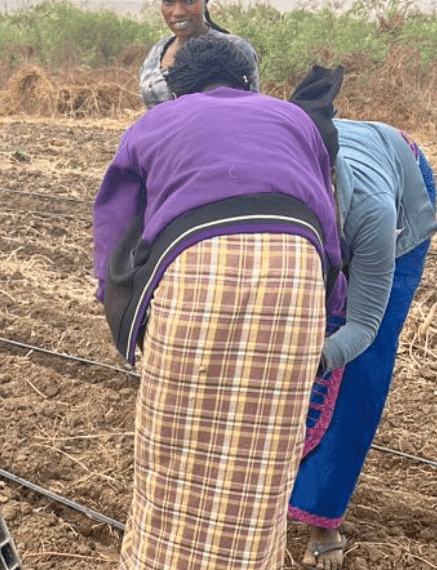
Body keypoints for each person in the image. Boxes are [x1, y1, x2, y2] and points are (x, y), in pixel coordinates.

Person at [94, 34, 341, 570]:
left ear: (177, 89)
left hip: (196, 270)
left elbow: (116, 228)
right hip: (294, 274)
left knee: (174, 441)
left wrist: (125, 319)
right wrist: (329, 304)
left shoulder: (156, 122)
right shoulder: (294, 118)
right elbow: (326, 217)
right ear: (249, 80)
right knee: (267, 447)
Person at [288, 112, 437, 569]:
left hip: (397, 186)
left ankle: (323, 516)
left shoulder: (373, 213)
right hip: (339, 182)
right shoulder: (271, 191)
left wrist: (309, 361)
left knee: (358, 366)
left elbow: (363, 326)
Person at [139, 0, 260, 108]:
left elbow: (252, 108)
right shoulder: (156, 52)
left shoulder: (235, 50)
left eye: (189, 0)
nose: (178, 12)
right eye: (168, 2)